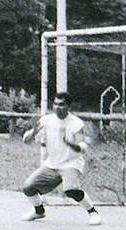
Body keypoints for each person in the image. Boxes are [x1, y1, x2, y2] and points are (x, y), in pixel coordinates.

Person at [22, 92, 100, 222]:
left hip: (71, 162)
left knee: (70, 190)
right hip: (52, 164)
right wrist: (33, 132)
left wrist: (71, 144)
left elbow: (82, 146)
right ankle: (39, 211)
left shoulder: (76, 123)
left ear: (68, 106)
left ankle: (93, 213)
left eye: (62, 104)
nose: (58, 107)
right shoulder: (46, 120)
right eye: (55, 104)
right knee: (28, 187)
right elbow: (26, 140)